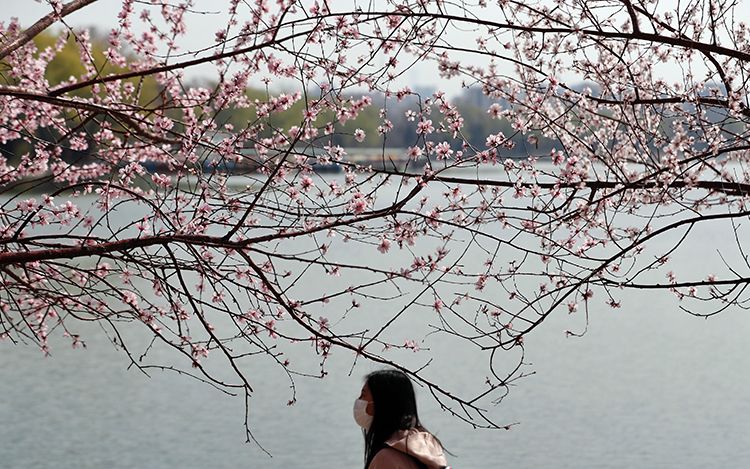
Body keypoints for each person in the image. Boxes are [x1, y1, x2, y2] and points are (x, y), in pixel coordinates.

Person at [354, 369, 451, 469]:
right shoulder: (428, 448)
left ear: (382, 403)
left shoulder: (385, 458)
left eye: (363, 395)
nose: (358, 400)